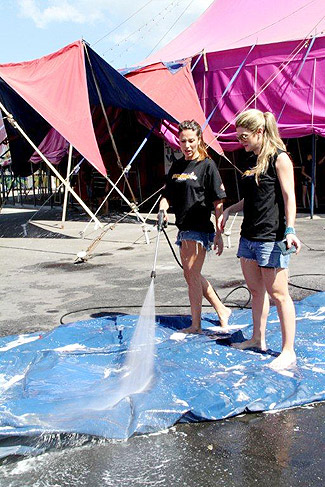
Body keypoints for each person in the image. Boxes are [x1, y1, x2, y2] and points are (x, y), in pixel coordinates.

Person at [219, 109, 301, 370]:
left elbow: (289, 197)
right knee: (256, 291)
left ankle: (288, 351)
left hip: (271, 238)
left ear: (259, 132)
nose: (241, 142)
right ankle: (258, 338)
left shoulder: (280, 158)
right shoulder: (252, 160)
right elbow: (255, 197)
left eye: (244, 137)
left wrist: (290, 230)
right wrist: (232, 209)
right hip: (249, 237)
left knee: (279, 295)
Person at [159, 119, 231, 333]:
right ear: (178, 142)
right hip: (183, 228)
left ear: (199, 140)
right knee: (192, 275)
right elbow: (167, 195)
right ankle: (221, 310)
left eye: (191, 141)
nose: (187, 145)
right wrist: (162, 210)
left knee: (191, 276)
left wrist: (219, 234)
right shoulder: (178, 165)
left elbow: (218, 202)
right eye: (183, 141)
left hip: (199, 228)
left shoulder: (207, 165)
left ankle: (196, 325)